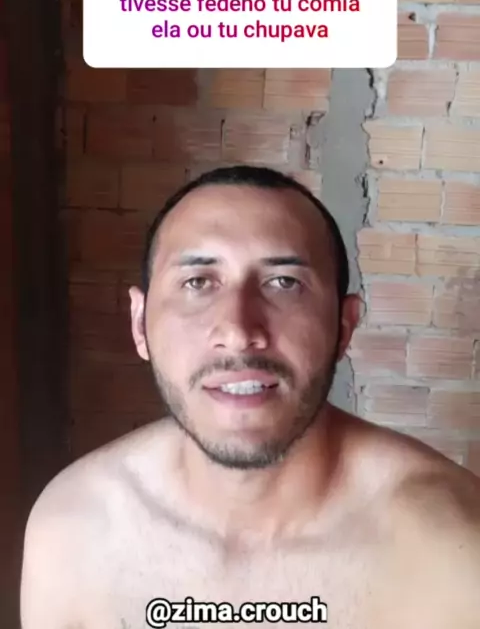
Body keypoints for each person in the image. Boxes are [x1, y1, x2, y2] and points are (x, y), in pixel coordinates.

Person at [21, 165, 480, 629]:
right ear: (140, 323)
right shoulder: (74, 527)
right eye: (198, 282)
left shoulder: (453, 547)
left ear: (343, 327)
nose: (239, 332)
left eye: (284, 283)